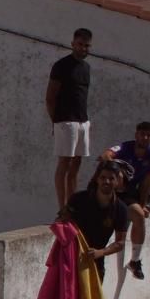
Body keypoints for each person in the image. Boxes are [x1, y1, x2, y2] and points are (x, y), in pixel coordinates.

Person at [26, 160, 129, 299]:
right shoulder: (80, 200)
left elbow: (120, 243)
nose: (107, 182)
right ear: (96, 179)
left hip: (94, 264)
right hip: (72, 263)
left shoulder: (120, 209)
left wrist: (100, 252)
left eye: (111, 178)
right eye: (103, 178)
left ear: (118, 182)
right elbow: (62, 219)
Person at [101, 120, 150, 279]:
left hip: (128, 194)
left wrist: (144, 204)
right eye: (142, 134)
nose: (144, 138)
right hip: (109, 190)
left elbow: (147, 182)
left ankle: (135, 261)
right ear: (136, 135)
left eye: (148, 135)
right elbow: (106, 154)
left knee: (139, 215)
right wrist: (114, 167)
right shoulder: (125, 147)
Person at [47, 28, 93, 210]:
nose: (83, 49)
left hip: (83, 121)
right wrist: (55, 122)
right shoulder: (61, 66)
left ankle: (72, 204)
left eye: (86, 46)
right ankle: (62, 207)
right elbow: (50, 97)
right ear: (73, 44)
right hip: (66, 121)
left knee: (77, 163)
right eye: (80, 45)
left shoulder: (87, 68)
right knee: (64, 163)